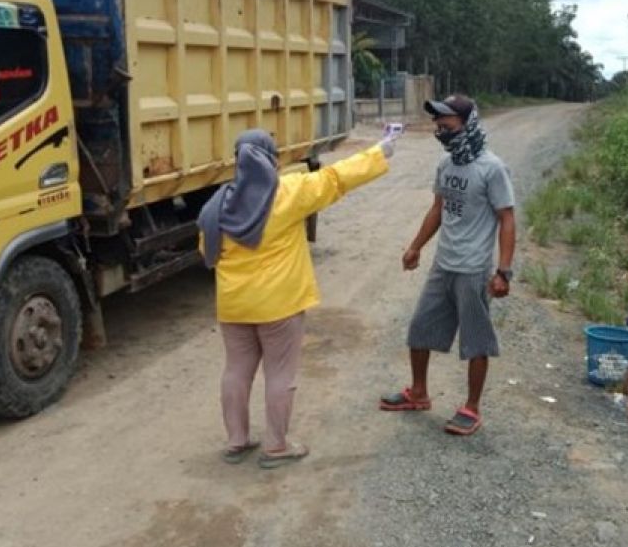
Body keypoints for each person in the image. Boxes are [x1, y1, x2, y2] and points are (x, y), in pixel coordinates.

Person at [199, 128, 397, 469]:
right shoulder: (288, 192)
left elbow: (206, 251)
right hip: (279, 305)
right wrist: (380, 152)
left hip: (233, 305)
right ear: (272, 161)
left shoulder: (217, 204)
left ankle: (236, 441)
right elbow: (336, 178)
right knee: (280, 375)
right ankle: (276, 446)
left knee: (236, 371)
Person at [379, 95, 516, 436]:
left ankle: (472, 407)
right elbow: (438, 209)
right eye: (438, 125)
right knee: (420, 329)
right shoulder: (448, 165)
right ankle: (419, 392)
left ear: (467, 124)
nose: (441, 131)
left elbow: (507, 219)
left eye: (447, 124)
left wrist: (503, 271)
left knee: (476, 341)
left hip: (473, 269)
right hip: (444, 263)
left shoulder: (492, 168)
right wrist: (415, 247)